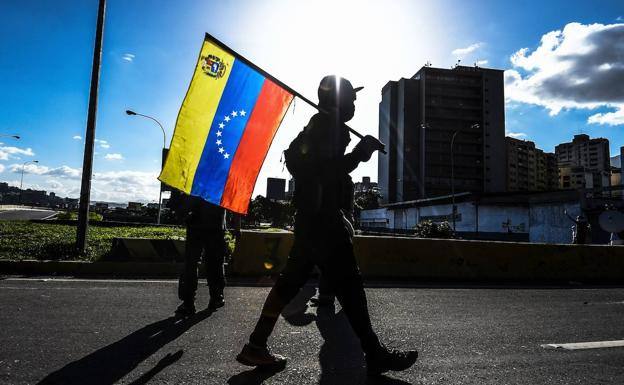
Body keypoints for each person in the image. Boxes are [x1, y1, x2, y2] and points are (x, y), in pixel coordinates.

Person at [236, 75, 418, 375]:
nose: (356, 104)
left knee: (290, 284)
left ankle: (256, 344)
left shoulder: (321, 125)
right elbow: (324, 172)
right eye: (352, 98)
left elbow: (317, 169)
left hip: (312, 220)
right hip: (322, 223)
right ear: (337, 100)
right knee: (350, 286)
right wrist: (360, 154)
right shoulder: (328, 127)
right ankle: (374, 353)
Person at [173, 193, 228, 316]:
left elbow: (186, 202)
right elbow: (234, 202)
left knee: (191, 264)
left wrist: (182, 213)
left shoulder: (198, 179)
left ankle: (188, 302)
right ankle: (216, 296)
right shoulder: (223, 181)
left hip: (195, 226)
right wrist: (237, 226)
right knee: (215, 263)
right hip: (216, 226)